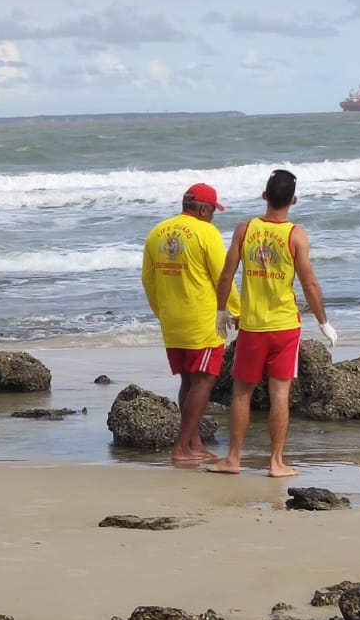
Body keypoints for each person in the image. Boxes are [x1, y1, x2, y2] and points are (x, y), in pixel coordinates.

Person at [207, 168, 336, 478]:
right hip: (284, 327)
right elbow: (309, 283)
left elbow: (227, 273)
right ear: (293, 200)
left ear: (265, 196)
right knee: (280, 395)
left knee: (242, 393)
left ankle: (234, 458)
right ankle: (276, 463)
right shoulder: (296, 235)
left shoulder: (245, 229)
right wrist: (323, 322)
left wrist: (221, 310)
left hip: (252, 326)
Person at [142, 183, 240, 465]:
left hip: (172, 320)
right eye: (212, 211)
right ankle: (181, 447)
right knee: (205, 380)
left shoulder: (157, 232)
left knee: (188, 379)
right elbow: (223, 277)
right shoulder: (205, 232)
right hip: (202, 320)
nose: (213, 217)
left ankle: (194, 443)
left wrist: (161, 311)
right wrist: (236, 310)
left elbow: (148, 279)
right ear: (204, 209)